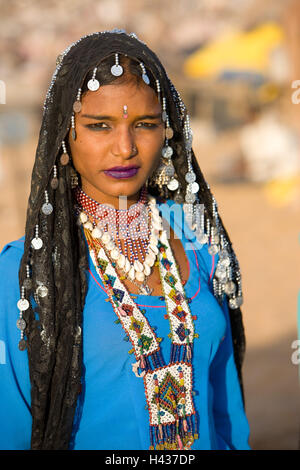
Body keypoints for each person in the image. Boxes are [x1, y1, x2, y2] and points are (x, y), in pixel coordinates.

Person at [0, 30, 250, 450]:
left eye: (145, 124)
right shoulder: (22, 276)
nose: (125, 148)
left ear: (167, 132)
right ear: (65, 134)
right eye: (100, 125)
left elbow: (227, 416)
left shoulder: (200, 249)